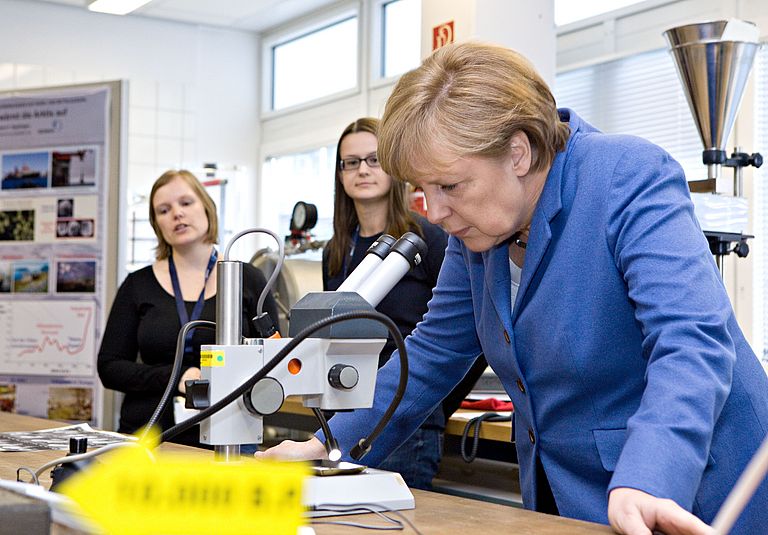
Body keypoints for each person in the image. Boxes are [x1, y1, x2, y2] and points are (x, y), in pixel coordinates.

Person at [260, 42, 768, 534]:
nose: (433, 213)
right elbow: (434, 352)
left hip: (695, 492)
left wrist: (652, 475)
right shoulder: (481, 231)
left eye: (450, 187)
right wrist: (328, 446)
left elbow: (692, 340)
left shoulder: (625, 176)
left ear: (518, 153)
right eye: (423, 190)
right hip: (568, 498)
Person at [98, 169, 279, 447]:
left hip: (231, 434)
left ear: (207, 208)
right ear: (157, 224)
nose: (177, 214)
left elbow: (274, 358)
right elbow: (109, 367)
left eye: (186, 203)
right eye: (164, 210)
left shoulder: (249, 279)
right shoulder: (138, 285)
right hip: (149, 436)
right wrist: (176, 377)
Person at [322, 117, 451, 490]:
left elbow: (464, 337)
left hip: (406, 419)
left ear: (395, 168)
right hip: (342, 414)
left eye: (374, 160)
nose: (362, 170)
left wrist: (434, 405)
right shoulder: (335, 250)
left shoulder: (429, 239)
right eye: (351, 162)